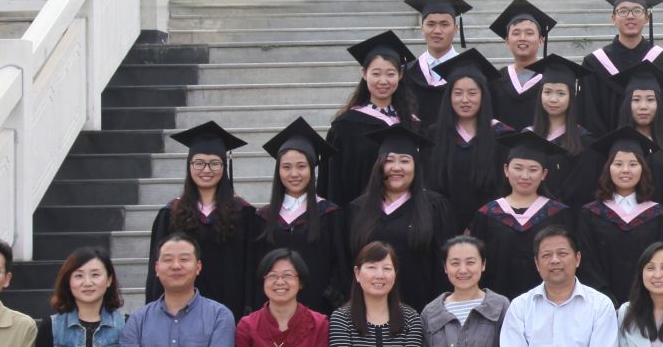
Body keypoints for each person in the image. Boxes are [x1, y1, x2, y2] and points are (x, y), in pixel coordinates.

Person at [146, 121, 262, 317]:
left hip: (231, 311)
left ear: (224, 167)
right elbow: (156, 272)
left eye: (214, 163)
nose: (206, 170)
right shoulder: (171, 213)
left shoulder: (244, 213)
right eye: (199, 163)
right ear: (189, 166)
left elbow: (252, 270)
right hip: (179, 313)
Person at [346, 122, 453, 312]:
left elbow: (443, 263)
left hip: (422, 309)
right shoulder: (358, 209)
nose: (396, 167)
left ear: (416, 167)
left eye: (405, 161)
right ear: (379, 166)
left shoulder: (434, 206)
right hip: (368, 310)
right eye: (389, 161)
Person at [259, 118, 350, 313]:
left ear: (312, 168)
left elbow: (340, 267)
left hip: (319, 310)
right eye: (286, 167)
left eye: (301, 166)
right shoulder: (263, 218)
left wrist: (330, 299)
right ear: (278, 171)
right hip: (274, 310)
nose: (294, 174)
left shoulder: (330, 215)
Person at [576, 127, 663, 300]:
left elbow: (662, 259)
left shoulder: (657, 214)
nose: (625, 170)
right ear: (608, 168)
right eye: (618, 164)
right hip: (601, 302)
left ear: (643, 169)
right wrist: (605, 297)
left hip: (647, 300)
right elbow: (588, 261)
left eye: (633, 164)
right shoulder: (590, 214)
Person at [580, 0, 663, 136]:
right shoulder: (594, 64)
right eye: (623, 11)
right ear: (613, 18)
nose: (630, 16)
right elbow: (589, 117)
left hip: (657, 148)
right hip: (608, 150)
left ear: (647, 18)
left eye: (637, 10)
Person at [472, 130, 571, 299]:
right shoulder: (488, 214)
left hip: (548, 300)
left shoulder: (558, 214)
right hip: (497, 303)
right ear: (506, 170)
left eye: (533, 169)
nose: (525, 176)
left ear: (544, 174)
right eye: (518, 168)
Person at [425, 49, 515, 233]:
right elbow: (429, 185)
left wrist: (476, 225)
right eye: (458, 93)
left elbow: (503, 187)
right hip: (442, 226)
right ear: (449, 96)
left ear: (483, 96)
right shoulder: (434, 136)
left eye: (472, 93)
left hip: (489, 226)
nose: (465, 100)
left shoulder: (502, 136)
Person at [325, 31, 420, 206]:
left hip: (406, 215)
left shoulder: (412, 123)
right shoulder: (345, 126)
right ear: (364, 73)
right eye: (376, 74)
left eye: (390, 74)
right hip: (358, 214)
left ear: (400, 75)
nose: (383, 81)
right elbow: (333, 182)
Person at [529, 53, 598, 206]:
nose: (553, 99)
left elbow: (582, 188)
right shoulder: (527, 137)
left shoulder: (585, 141)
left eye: (561, 93)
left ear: (571, 97)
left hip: (569, 213)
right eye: (547, 92)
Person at [403, 0, 472, 124]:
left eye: (444, 24)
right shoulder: (407, 72)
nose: (437, 31)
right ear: (422, 29)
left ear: (456, 29)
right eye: (431, 24)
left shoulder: (469, 69)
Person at [485, 0, 557, 129]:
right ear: (507, 41)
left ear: (541, 40)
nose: (522, 38)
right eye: (516, 33)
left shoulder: (552, 79)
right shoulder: (495, 81)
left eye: (529, 33)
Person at [612, 64, 663, 198]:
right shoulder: (615, 143)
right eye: (636, 99)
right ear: (627, 105)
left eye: (650, 100)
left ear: (659, 105)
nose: (643, 106)